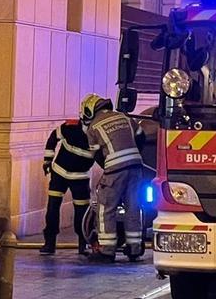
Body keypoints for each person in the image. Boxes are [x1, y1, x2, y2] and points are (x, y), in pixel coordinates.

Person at [80, 93, 145, 263]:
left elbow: (97, 156)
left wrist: (109, 168)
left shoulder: (94, 127)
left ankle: (107, 250)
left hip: (115, 169)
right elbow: (141, 136)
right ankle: (134, 248)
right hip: (136, 165)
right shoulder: (124, 117)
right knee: (134, 206)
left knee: (105, 207)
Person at [40, 119, 96, 256]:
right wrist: (47, 160)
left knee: (82, 212)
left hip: (80, 177)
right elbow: (53, 137)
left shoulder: (97, 134)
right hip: (60, 173)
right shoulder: (70, 127)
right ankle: (49, 243)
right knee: (53, 208)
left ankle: (83, 243)